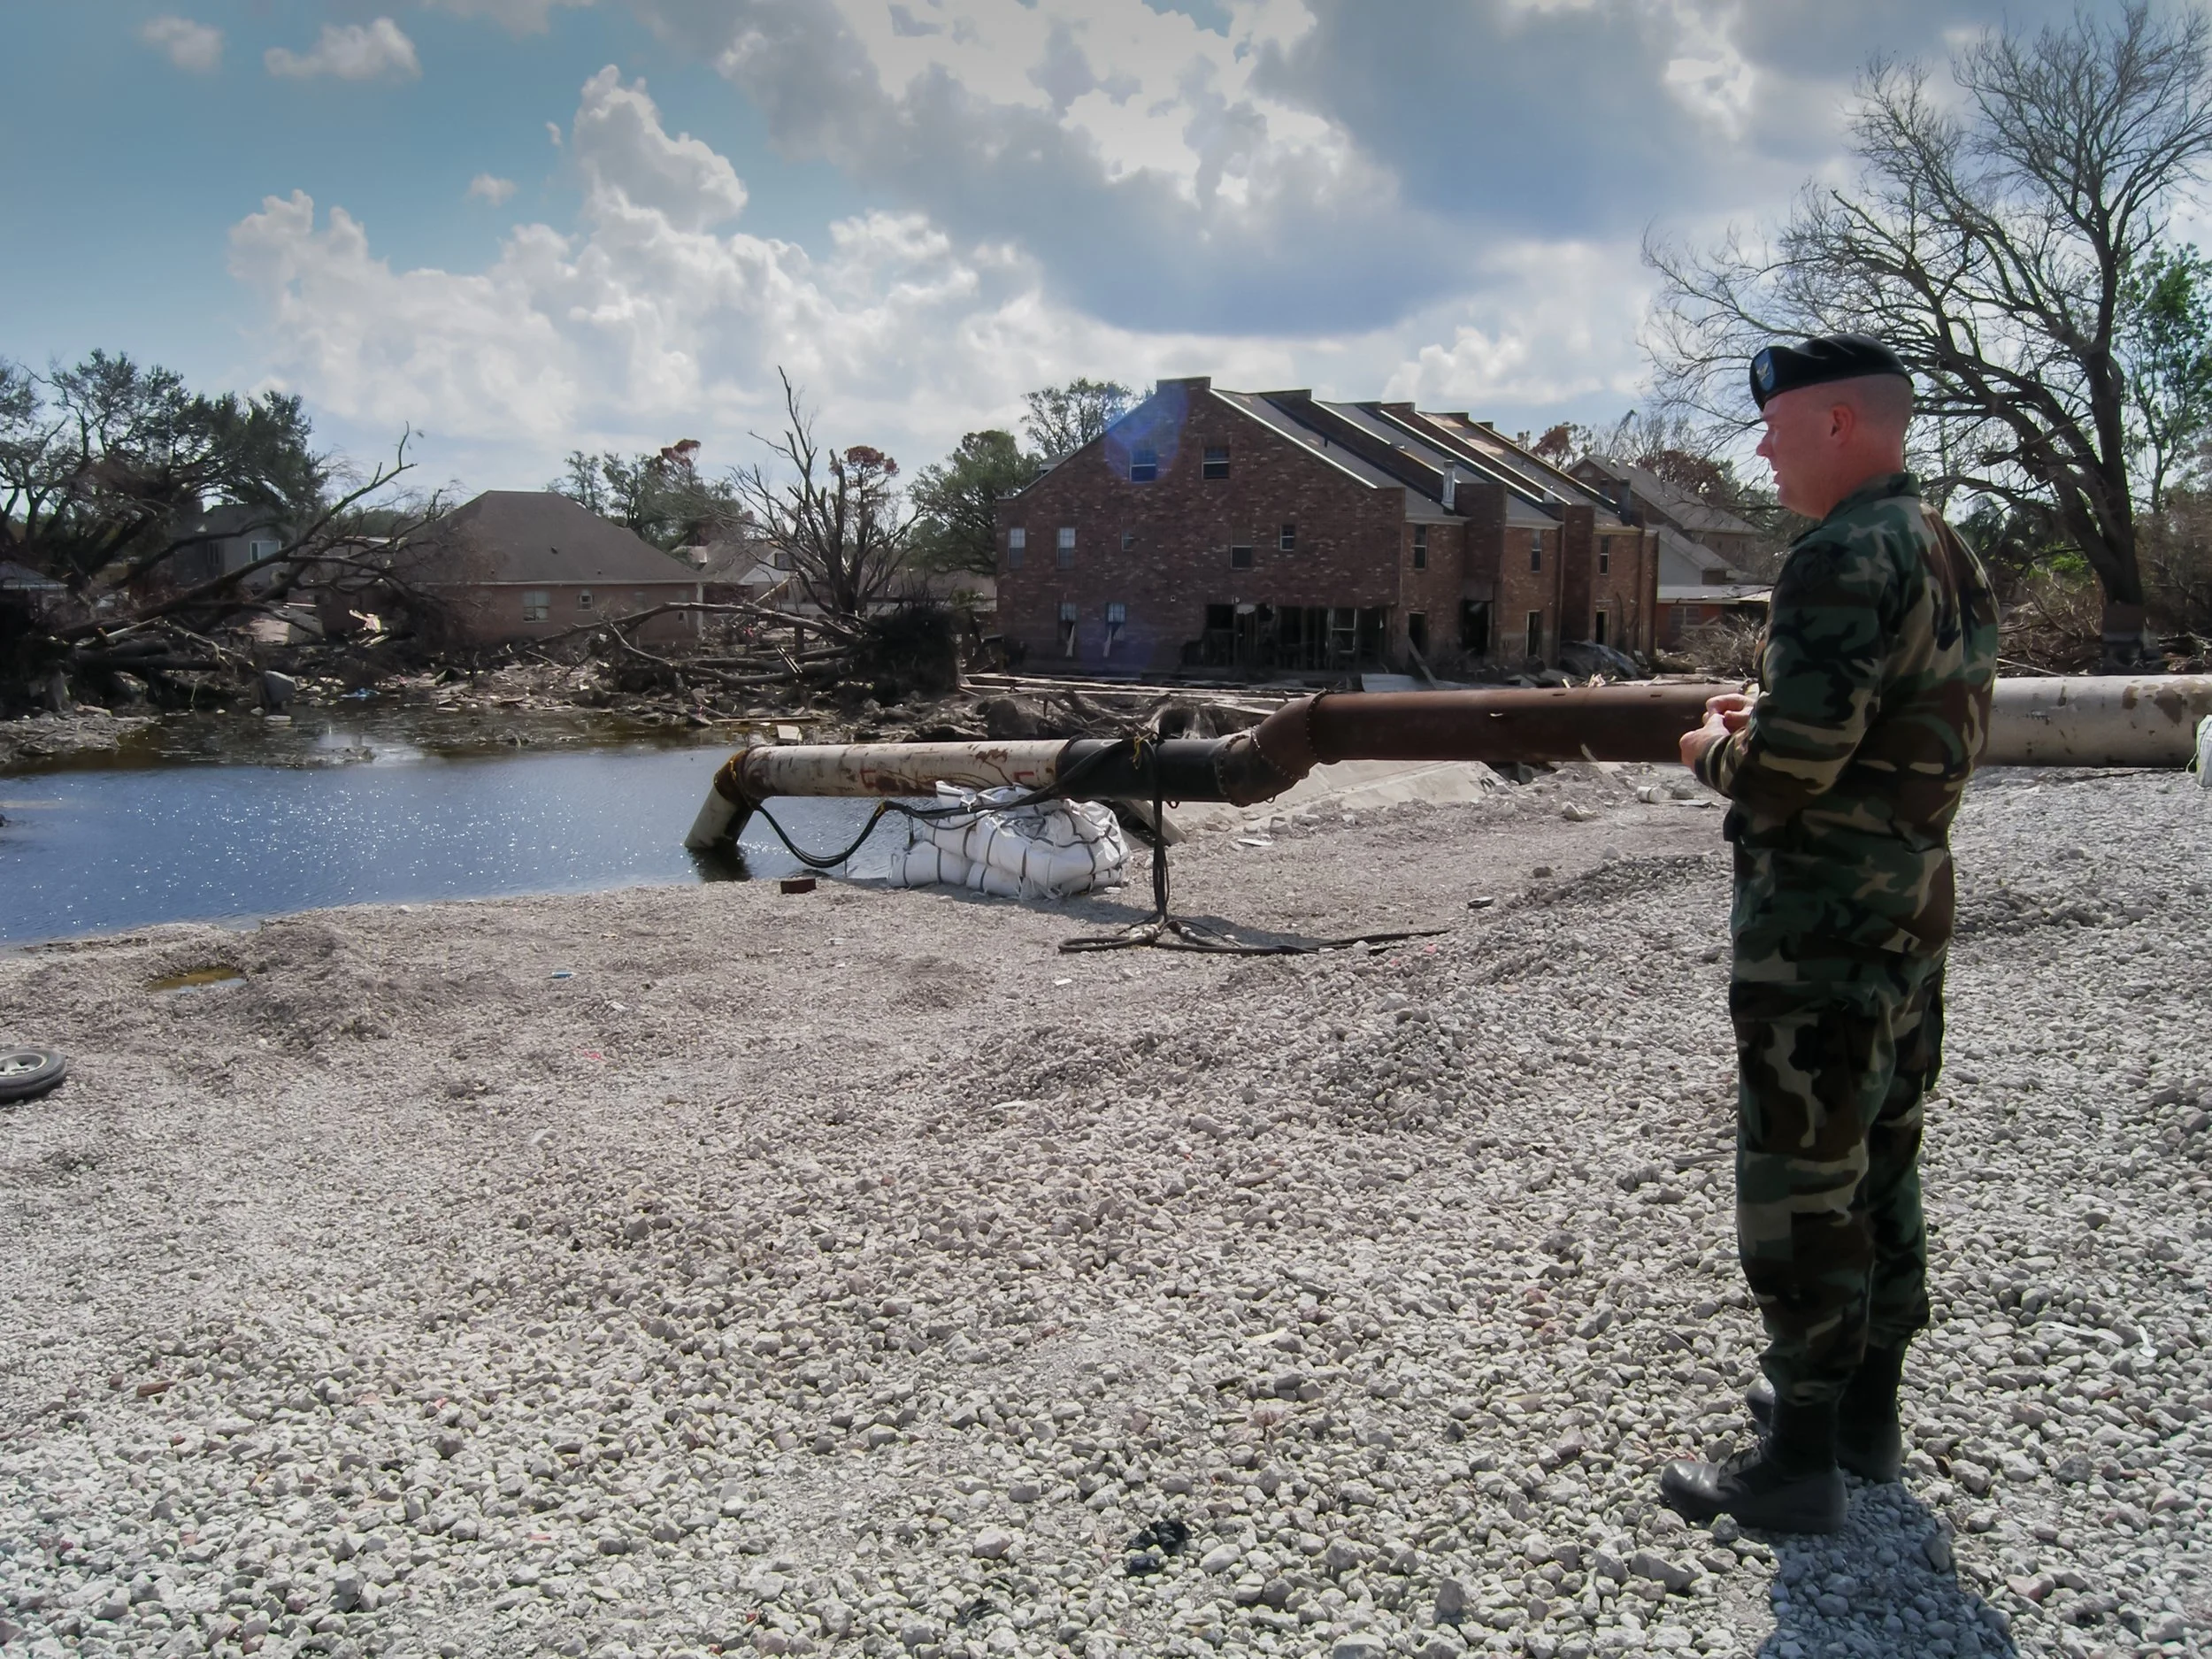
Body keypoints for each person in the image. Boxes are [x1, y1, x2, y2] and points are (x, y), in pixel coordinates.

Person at [1661, 334, 1999, 1533]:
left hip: (1819, 933)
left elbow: (1788, 774)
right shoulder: (1943, 547)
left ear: (1840, 424)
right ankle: (1865, 1416)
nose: (1762, 449)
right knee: (1884, 1161)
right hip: (1907, 916)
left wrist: (1713, 749)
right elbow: (1895, 722)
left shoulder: (1839, 556)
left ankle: (1798, 1460)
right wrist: (1771, 714)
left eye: (1776, 427)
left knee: (1802, 1180)